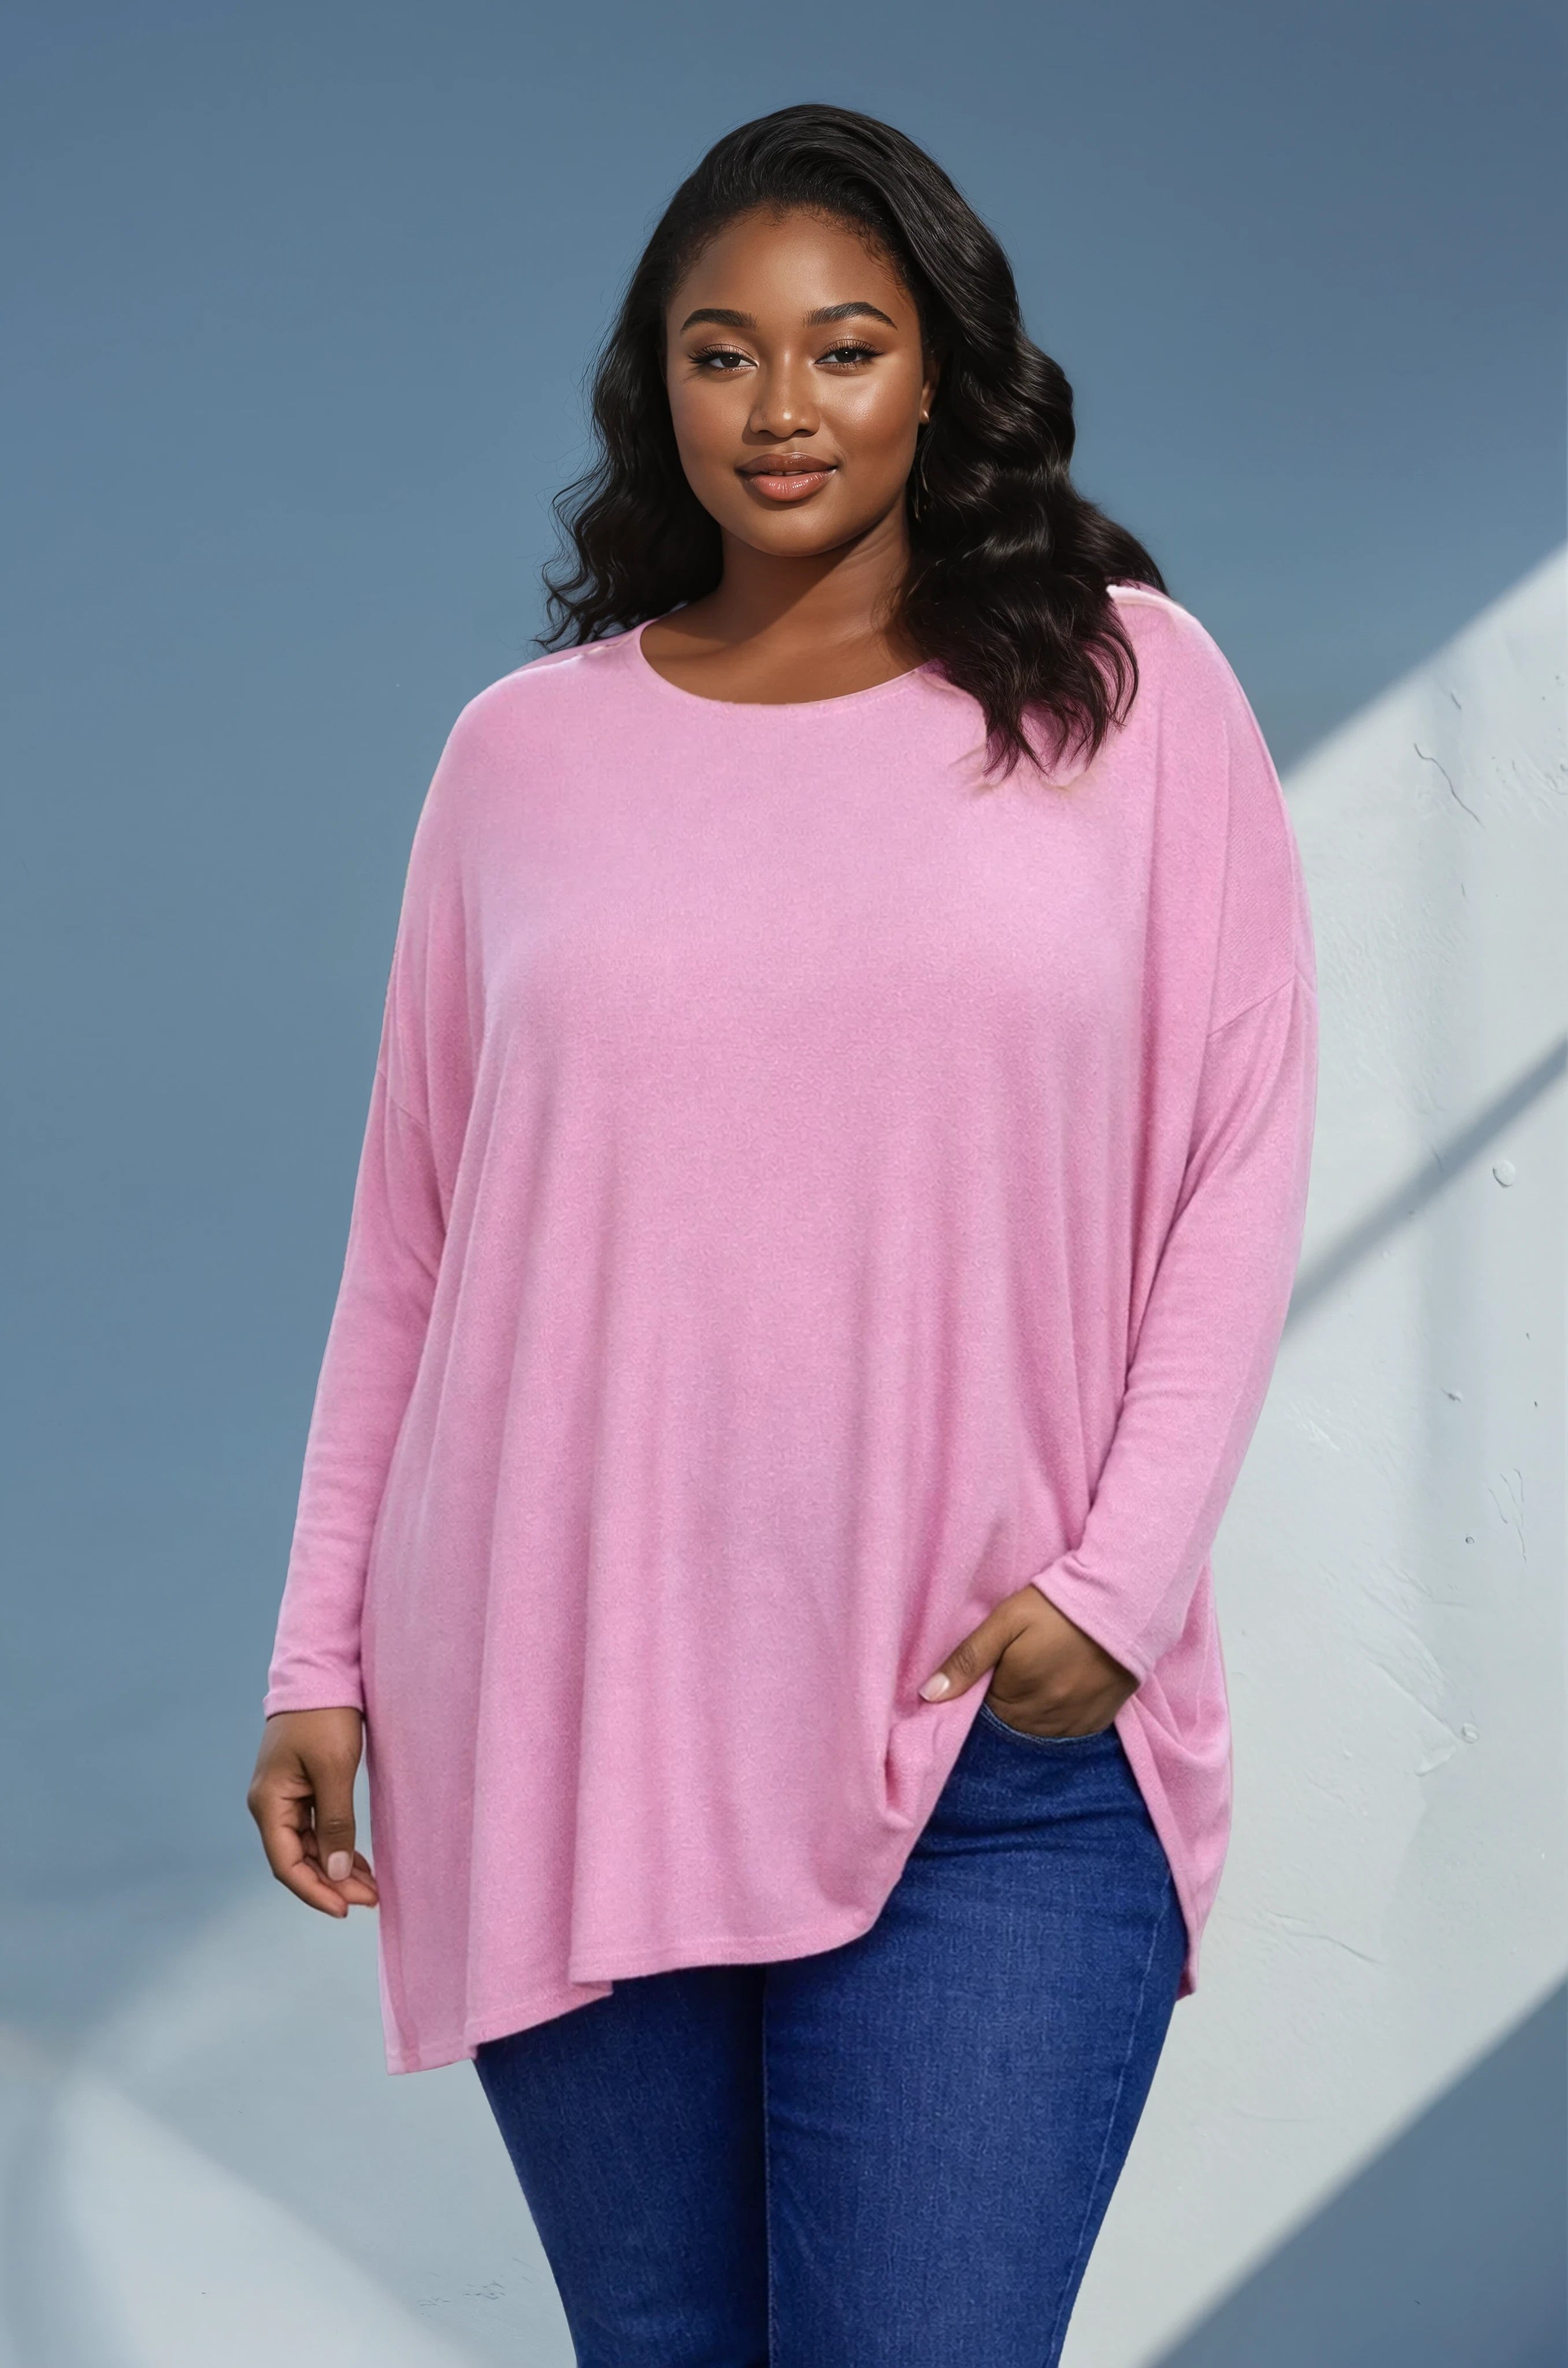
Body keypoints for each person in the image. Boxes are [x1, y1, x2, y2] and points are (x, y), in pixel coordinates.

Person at [248, 102, 1318, 2367]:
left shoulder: (1121, 693)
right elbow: (414, 1241)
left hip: (985, 1746)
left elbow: (1236, 1151)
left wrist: (1114, 1589)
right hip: (567, 1708)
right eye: (720, 354)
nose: (781, 406)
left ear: (939, 374)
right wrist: (316, 1653)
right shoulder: (521, 757)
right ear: (657, 386)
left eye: (844, 346)